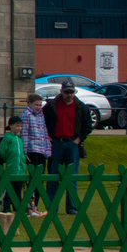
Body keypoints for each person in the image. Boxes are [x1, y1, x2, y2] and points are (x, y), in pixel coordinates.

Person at [43, 82, 94, 215]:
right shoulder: (51, 106)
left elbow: (88, 125)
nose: (69, 95)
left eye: (71, 92)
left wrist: (78, 139)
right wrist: (49, 138)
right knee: (53, 176)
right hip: (56, 143)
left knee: (72, 177)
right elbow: (43, 122)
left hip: (72, 143)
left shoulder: (81, 107)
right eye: (67, 92)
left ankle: (71, 208)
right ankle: (52, 207)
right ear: (61, 91)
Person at [0, 115, 36, 218]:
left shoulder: (19, 139)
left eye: (20, 126)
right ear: (11, 126)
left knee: (18, 190)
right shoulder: (8, 138)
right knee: (9, 190)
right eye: (17, 126)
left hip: (21, 169)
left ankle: (18, 207)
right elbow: (1, 151)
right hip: (11, 168)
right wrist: (8, 159)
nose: (19, 128)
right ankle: (6, 208)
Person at [20, 92, 50, 209]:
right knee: (33, 179)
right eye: (36, 105)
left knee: (40, 179)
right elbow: (24, 134)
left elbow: (45, 133)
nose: (38, 107)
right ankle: (29, 204)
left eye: (40, 105)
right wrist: (25, 151)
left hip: (41, 150)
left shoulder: (41, 115)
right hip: (32, 150)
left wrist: (48, 150)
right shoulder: (26, 115)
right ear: (30, 104)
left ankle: (35, 205)